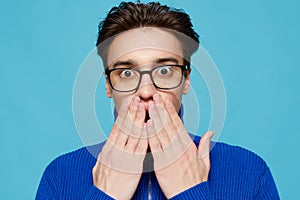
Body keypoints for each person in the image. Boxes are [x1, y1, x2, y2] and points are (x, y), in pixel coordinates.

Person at [36, 1, 280, 199]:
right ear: (109, 85)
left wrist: (190, 192)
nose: (145, 91)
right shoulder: (60, 177)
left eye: (164, 71)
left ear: (186, 80)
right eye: (127, 73)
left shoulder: (250, 172)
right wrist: (105, 194)